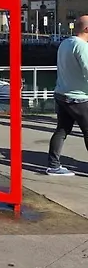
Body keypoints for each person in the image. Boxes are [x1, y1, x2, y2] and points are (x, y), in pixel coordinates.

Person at [46, 15, 88, 176]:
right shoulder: (82, 46)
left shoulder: (65, 43)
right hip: (79, 98)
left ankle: (53, 166)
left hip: (61, 94)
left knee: (62, 130)